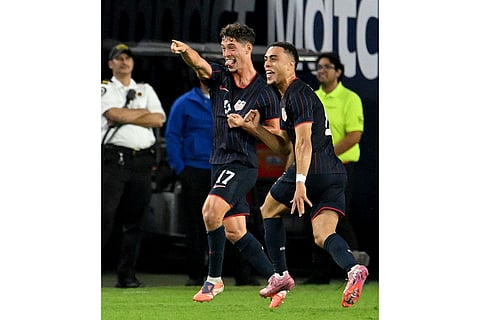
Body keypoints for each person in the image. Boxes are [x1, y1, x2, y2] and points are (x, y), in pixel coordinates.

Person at [232, 42, 369, 307]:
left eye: (274, 59)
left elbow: (304, 143)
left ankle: (281, 275)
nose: (267, 64)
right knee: (323, 234)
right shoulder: (288, 97)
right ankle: (353, 268)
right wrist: (255, 129)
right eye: (266, 60)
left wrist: (300, 182)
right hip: (334, 173)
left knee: (269, 209)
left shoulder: (298, 94)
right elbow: (286, 146)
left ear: (291, 65)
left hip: (313, 169)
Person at [170, 23, 292, 308]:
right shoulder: (221, 78)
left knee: (210, 210)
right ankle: (276, 279)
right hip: (219, 163)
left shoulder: (265, 91)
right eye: (224, 48)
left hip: (242, 164)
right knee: (234, 230)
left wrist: (253, 128)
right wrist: (186, 51)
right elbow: (201, 66)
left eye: (232, 47)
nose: (226, 53)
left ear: (248, 49)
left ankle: (214, 279)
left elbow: (280, 144)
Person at [101, 43, 166, 288]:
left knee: (135, 221)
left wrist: (128, 114)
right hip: (114, 161)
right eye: (118, 58)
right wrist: (142, 115)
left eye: (128, 58)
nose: (124, 62)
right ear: (110, 64)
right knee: (104, 218)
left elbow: (159, 119)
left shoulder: (144, 88)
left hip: (142, 161)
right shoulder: (104, 89)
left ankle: (126, 274)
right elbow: (112, 115)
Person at [304, 52, 369, 284]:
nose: (322, 71)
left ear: (338, 71)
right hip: (314, 169)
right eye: (319, 67)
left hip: (342, 168)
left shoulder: (350, 98)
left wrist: (327, 156)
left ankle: (356, 270)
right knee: (314, 218)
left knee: (340, 218)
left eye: (327, 67)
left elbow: (354, 135)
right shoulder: (312, 97)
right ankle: (320, 274)